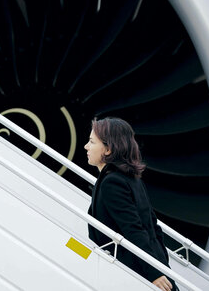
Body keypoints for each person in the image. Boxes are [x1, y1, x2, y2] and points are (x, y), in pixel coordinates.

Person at [85, 117, 177, 291]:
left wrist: (154, 273)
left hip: (137, 272)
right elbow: (153, 228)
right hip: (152, 265)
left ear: (108, 149)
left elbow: (134, 229)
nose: (86, 147)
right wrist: (162, 266)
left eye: (91, 142)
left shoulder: (112, 182)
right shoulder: (130, 178)